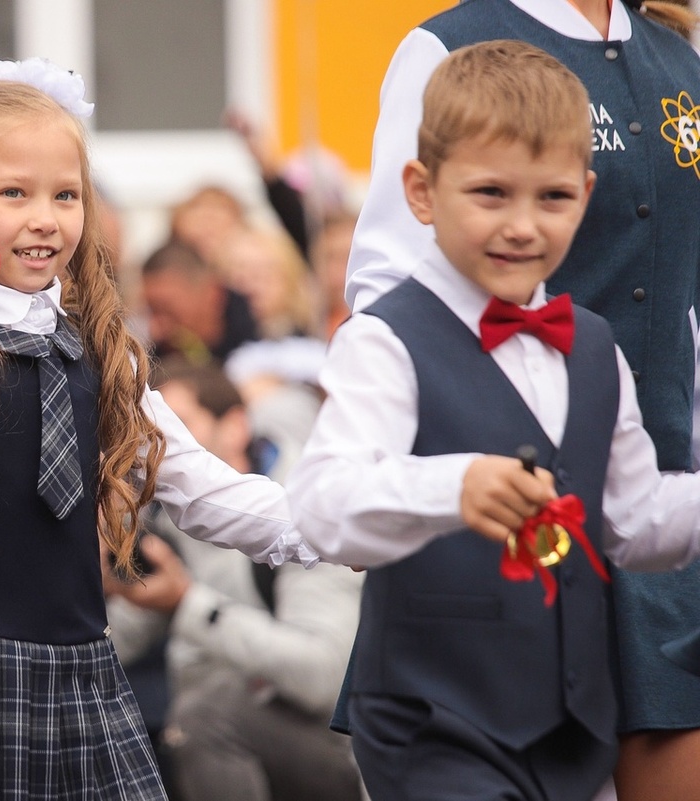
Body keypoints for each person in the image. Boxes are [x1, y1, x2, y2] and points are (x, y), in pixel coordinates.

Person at [0, 49, 315, 800]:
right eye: (13, 192)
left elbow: (204, 490)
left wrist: (346, 522)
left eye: (66, 195)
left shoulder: (99, 348)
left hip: (81, 678)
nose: (44, 218)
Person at [288, 40, 700, 801]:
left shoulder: (594, 347)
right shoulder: (386, 340)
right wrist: (454, 486)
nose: (522, 225)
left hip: (572, 728)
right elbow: (322, 503)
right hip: (434, 729)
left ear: (585, 193)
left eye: (552, 198)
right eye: (490, 194)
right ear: (421, 192)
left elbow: (634, 518)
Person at [107, 358, 363, 801]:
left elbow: (322, 677)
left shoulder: (304, 505)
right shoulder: (163, 520)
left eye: (181, 425)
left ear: (236, 426)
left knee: (207, 713)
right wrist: (97, 580)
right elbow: (120, 643)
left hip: (330, 745)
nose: (157, 445)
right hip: (207, 733)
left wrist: (188, 604)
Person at [140, 239, 259, 366]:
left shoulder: (265, 351)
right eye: (152, 310)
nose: (156, 326)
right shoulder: (152, 363)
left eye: (168, 310)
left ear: (213, 295)